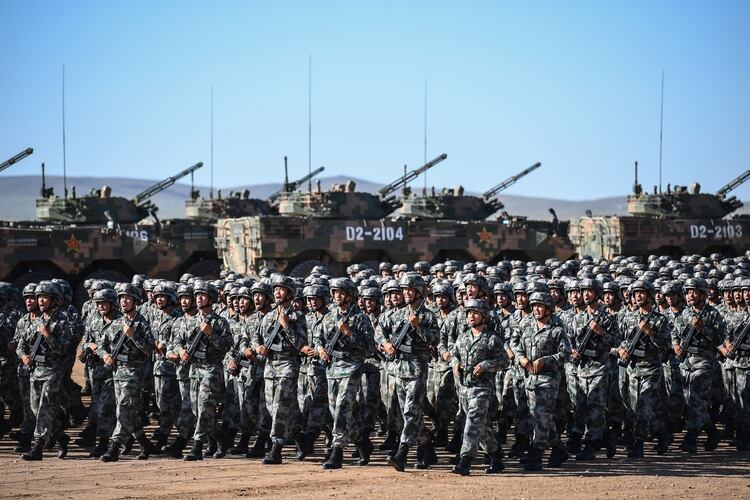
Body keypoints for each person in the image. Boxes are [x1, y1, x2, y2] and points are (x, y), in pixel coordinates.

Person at [375, 273, 439, 471]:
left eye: (410, 290)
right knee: (408, 414)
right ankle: (427, 447)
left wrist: (418, 327)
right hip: (398, 367)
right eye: (404, 290)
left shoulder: (428, 316)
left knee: (411, 411)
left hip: (417, 368)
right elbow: (379, 329)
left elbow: (434, 341)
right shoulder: (396, 313)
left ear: (419, 292)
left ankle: (402, 453)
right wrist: (385, 344)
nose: (406, 293)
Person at [315, 277, 374, 468]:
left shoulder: (360, 318)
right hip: (332, 368)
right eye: (334, 293)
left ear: (350, 295)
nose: (336, 296)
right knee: (338, 411)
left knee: (342, 408)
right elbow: (318, 337)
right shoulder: (330, 316)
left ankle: (337, 451)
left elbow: (369, 347)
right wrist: (321, 349)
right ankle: (362, 442)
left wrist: (349, 332)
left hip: (351, 367)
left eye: (341, 293)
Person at [252, 274, 308, 465]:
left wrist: (287, 326)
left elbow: (301, 345)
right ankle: (301, 438)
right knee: (273, 408)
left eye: (281, 289)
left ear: (290, 293)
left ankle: (276, 449)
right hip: (270, 366)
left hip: (287, 365)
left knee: (279, 408)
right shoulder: (268, 316)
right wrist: (258, 347)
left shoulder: (298, 317)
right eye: (275, 289)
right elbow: (256, 336)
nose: (276, 292)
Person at [512, 291, 571, 471]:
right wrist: (520, 358)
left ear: (548, 309)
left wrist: (546, 360)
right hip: (530, 379)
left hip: (549, 379)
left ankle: (536, 453)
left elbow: (565, 354)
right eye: (534, 306)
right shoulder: (527, 328)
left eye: (540, 306)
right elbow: (518, 348)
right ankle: (558, 448)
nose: (536, 309)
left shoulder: (556, 330)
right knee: (540, 417)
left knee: (541, 415)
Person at [98, 283, 156, 462]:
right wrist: (105, 355)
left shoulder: (142, 323)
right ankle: (145, 443)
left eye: (128, 298)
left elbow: (149, 349)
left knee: (124, 408)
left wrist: (133, 335)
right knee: (129, 411)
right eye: (122, 298)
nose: (124, 301)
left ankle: (115, 447)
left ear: (135, 301)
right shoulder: (115, 323)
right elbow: (101, 344)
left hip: (134, 373)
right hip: (117, 373)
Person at [450, 299, 508, 475]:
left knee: (472, 423)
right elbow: (454, 353)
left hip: (482, 389)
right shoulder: (463, 337)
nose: (471, 316)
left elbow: (504, 361)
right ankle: (496, 455)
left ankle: (465, 461)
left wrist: (486, 364)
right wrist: (455, 363)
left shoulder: (492, 339)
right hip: (465, 389)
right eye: (469, 313)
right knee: (481, 426)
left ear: (484, 316)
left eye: (475, 313)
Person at [16, 282, 71, 460]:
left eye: (44, 297)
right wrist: (23, 355)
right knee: (35, 410)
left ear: (53, 300)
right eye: (39, 297)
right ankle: (62, 438)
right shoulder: (36, 320)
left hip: (52, 371)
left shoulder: (62, 321)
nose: (40, 301)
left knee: (45, 408)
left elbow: (63, 349)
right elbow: (21, 343)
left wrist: (48, 335)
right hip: (35, 371)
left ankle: (38, 447)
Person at [179, 280, 233, 461]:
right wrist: (181, 352)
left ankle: (197, 447)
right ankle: (221, 437)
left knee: (204, 407)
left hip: (211, 369)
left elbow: (227, 346)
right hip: (194, 369)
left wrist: (211, 333)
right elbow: (178, 341)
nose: (199, 298)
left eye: (203, 295)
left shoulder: (220, 322)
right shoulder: (190, 321)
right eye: (197, 295)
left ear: (211, 298)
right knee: (198, 410)